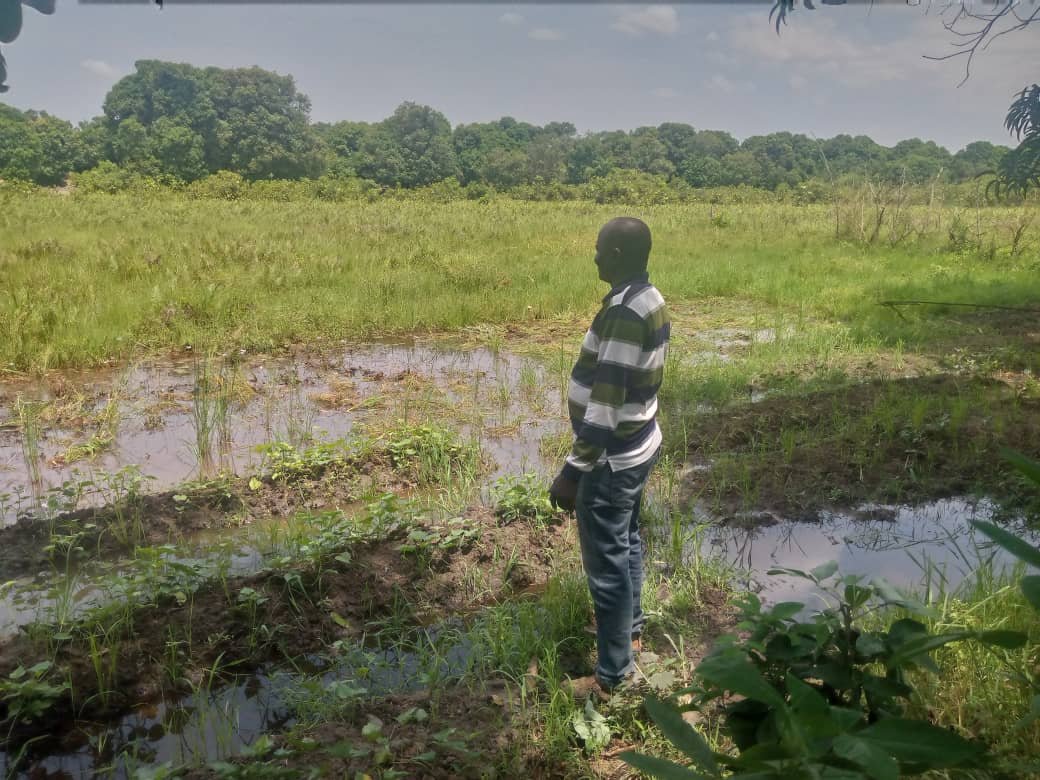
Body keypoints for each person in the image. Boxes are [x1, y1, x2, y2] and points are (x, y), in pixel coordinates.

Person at [549, 216, 670, 700]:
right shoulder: (649, 296)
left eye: (600, 249)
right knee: (626, 542)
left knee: (607, 566)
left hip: (612, 460)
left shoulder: (624, 312)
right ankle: (630, 635)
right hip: (639, 445)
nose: (594, 255)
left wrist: (572, 471)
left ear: (617, 255)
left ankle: (613, 677)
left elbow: (606, 402)